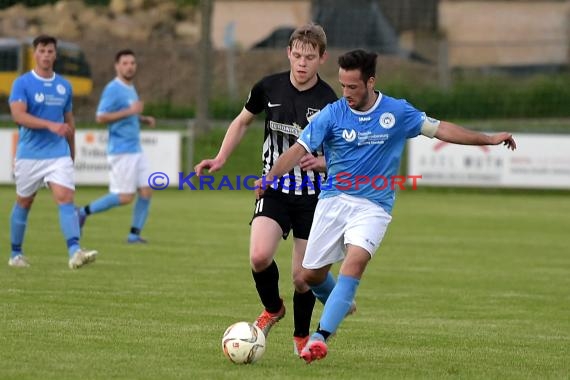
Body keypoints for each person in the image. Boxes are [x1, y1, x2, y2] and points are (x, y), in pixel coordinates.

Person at [257, 49, 517, 363]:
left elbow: (442, 129)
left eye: (353, 87)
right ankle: (342, 300)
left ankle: (319, 337)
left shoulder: (397, 112)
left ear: (370, 82)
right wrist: (270, 178)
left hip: (374, 205)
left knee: (355, 262)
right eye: (342, 86)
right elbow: (298, 150)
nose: (346, 93)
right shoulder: (333, 113)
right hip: (333, 200)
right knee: (309, 276)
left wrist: (487, 139)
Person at [194, 23, 338, 355]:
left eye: (310, 57)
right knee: (259, 256)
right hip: (272, 188)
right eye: (297, 55)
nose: (302, 63)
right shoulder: (268, 88)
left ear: (322, 59)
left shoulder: (330, 102)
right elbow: (242, 120)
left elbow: (342, 153)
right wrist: (220, 157)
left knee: (303, 278)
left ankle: (301, 337)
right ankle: (273, 310)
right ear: (288, 52)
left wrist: (325, 164)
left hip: (313, 198)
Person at [8, 34, 98, 270]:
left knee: (66, 198)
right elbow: (18, 115)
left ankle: (75, 251)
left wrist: (72, 151)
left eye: (50, 51)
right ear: (34, 54)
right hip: (29, 155)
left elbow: (69, 121)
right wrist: (50, 125)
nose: (46, 55)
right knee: (24, 202)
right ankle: (15, 254)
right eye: (42, 50)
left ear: (55, 54)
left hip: (57, 154)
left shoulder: (64, 85)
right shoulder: (22, 83)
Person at [77, 49, 156, 243]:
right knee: (124, 197)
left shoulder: (130, 88)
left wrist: (141, 118)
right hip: (121, 150)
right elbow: (101, 116)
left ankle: (133, 235)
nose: (130, 66)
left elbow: (128, 113)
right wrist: (130, 111)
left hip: (135, 149)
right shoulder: (113, 88)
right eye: (125, 63)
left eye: (132, 63)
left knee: (146, 190)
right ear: (117, 66)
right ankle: (82, 212)